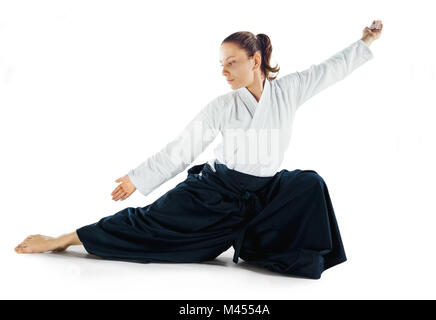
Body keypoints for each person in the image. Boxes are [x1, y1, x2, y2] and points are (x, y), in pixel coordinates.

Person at [15, 21, 383, 279]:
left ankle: (254, 242)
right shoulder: (222, 106)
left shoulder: (289, 90)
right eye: (221, 65)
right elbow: (182, 148)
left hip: (265, 196)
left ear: (255, 62)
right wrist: (136, 177)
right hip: (216, 193)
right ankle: (65, 238)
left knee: (310, 184)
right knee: (149, 222)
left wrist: (365, 40)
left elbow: (331, 69)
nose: (224, 71)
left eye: (232, 63)